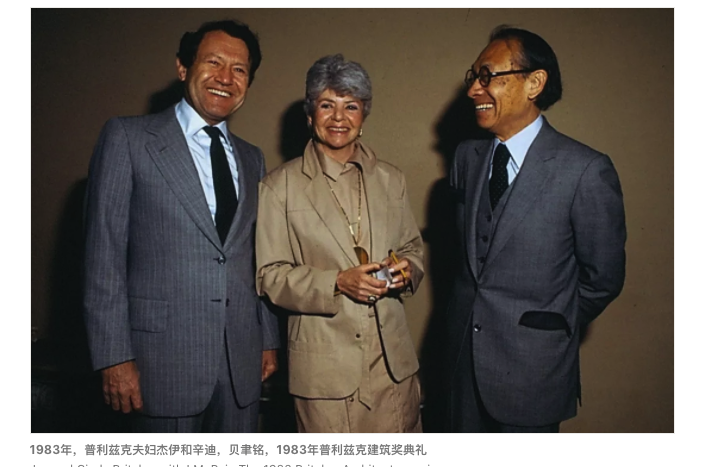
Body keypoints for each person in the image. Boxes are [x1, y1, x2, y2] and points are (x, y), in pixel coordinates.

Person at [83, 19, 279, 433]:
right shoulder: (128, 138)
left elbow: (257, 256)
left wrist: (268, 338)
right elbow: (103, 256)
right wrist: (114, 357)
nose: (225, 77)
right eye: (213, 62)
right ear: (183, 67)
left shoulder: (253, 158)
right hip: (159, 363)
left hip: (241, 364)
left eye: (239, 69)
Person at [447, 26, 626, 432]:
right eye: (473, 77)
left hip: (532, 377)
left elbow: (603, 279)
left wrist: (546, 324)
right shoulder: (465, 158)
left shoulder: (585, 170)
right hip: (461, 368)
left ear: (534, 83)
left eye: (487, 76)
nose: (473, 90)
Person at [256, 54, 424, 432]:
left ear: (364, 115)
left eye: (351, 106)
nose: (338, 117)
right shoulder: (278, 187)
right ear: (309, 113)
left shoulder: (391, 180)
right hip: (324, 373)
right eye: (326, 105)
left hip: (392, 367)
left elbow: (412, 248)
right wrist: (336, 282)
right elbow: (269, 276)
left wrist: (406, 270)